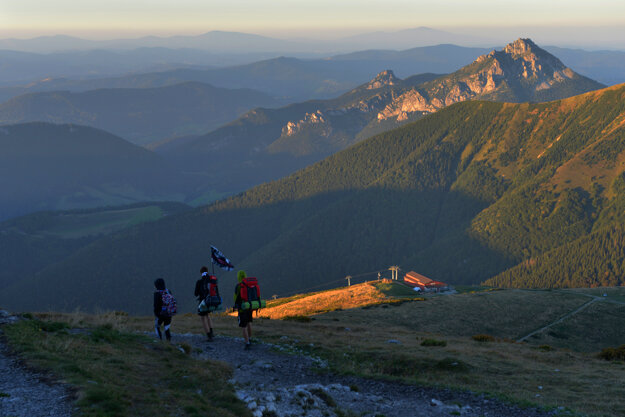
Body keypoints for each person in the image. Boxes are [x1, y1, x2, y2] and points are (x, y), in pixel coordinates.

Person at [194, 266, 215, 341]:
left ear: (201, 273)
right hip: (211, 301)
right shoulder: (211, 280)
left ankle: (209, 336)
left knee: (203, 318)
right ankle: (212, 332)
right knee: (207, 316)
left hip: (203, 302)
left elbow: (196, 293)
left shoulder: (199, 282)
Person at [234, 270, 253, 350]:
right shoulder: (249, 284)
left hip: (242, 308)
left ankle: (247, 343)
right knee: (249, 323)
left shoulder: (238, 286)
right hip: (249, 306)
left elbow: (235, 298)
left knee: (243, 326)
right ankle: (250, 339)